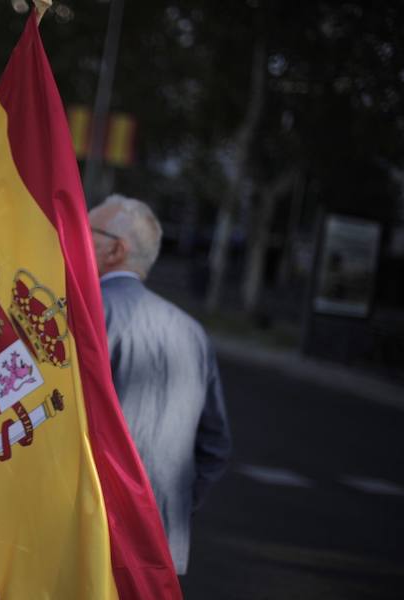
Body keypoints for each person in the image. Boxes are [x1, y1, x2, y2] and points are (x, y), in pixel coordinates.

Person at [89, 194, 232, 576]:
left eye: (87, 232)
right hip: (159, 544)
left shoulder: (82, 313)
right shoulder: (192, 332)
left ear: (116, 250)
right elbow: (215, 444)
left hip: (84, 538)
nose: (75, 239)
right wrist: (170, 505)